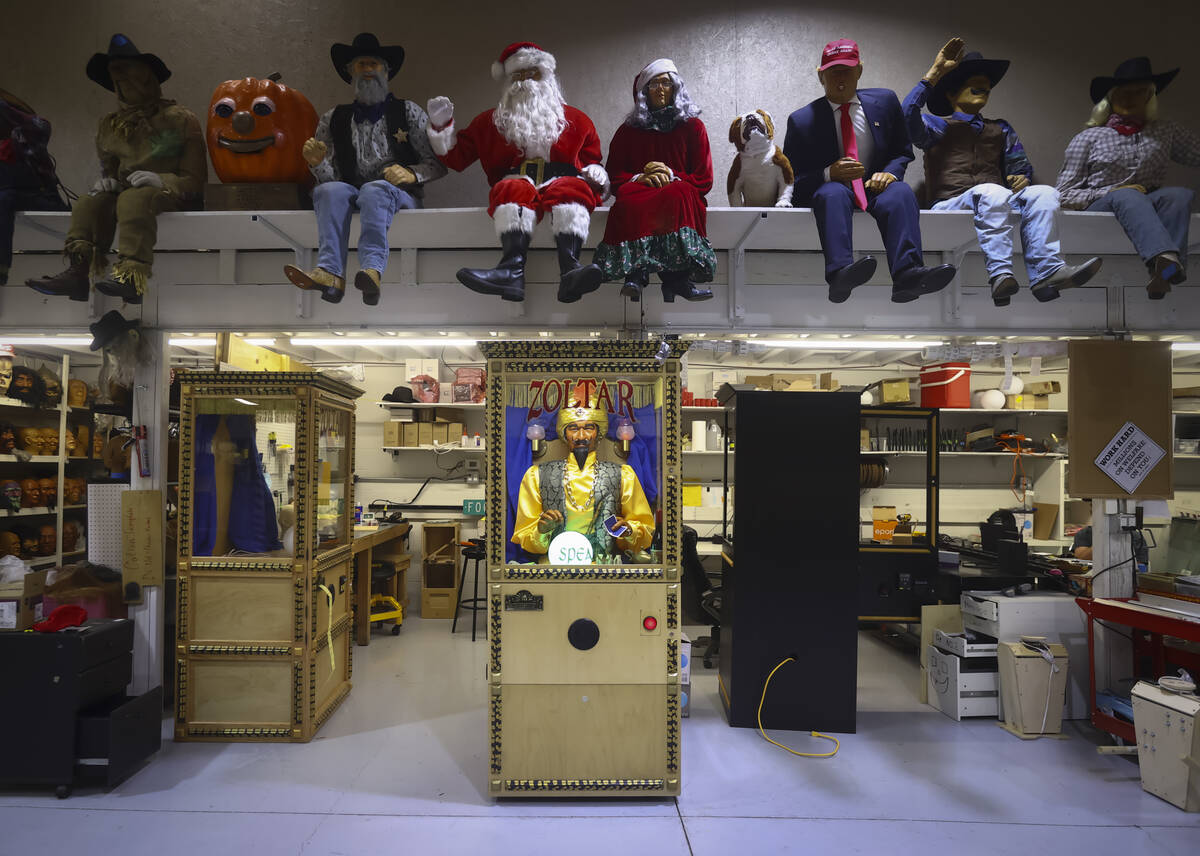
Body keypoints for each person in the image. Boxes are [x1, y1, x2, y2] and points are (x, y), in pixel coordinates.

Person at [904, 39, 1103, 306]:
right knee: (991, 191)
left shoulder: (1001, 129)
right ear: (951, 93)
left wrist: (1023, 178)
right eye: (972, 82)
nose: (983, 86)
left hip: (994, 200)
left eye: (986, 85)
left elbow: (1019, 167)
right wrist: (933, 75)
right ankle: (1000, 274)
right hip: (950, 203)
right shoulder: (936, 125)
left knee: (1045, 193)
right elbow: (905, 116)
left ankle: (1048, 272)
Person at [425, 42, 609, 304]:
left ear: (546, 77)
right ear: (508, 81)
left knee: (572, 189)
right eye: (517, 76)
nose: (524, 82)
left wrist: (596, 174)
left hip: (565, 180)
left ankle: (571, 270)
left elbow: (593, 161)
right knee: (510, 189)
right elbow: (457, 157)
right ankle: (511, 272)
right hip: (517, 181)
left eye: (531, 74)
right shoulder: (490, 122)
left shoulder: (577, 120)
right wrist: (441, 127)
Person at [26, 34, 204, 304]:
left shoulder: (180, 120)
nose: (124, 85)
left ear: (148, 78)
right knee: (88, 201)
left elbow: (195, 179)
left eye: (131, 77)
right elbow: (110, 169)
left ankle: (132, 276)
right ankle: (78, 272)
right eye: (118, 81)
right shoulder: (110, 126)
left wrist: (161, 180)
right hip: (126, 193)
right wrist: (107, 182)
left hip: (166, 195)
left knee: (135, 198)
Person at [783, 38, 956, 304]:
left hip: (876, 188)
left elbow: (902, 150)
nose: (841, 78)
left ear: (860, 71)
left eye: (847, 70)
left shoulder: (885, 102)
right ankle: (840, 274)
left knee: (900, 193)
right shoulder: (802, 120)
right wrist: (829, 173)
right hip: (834, 191)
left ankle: (908, 275)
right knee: (831, 193)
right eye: (833, 71)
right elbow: (792, 182)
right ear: (821, 75)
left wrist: (890, 173)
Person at [283, 33, 445, 305]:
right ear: (350, 72)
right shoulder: (333, 119)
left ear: (386, 70)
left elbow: (437, 164)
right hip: (353, 192)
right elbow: (332, 180)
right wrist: (318, 164)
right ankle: (330, 274)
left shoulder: (409, 112)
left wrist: (411, 173)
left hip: (399, 195)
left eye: (374, 64)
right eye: (361, 65)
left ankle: (371, 269)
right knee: (327, 192)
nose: (368, 70)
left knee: (375, 190)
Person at [1056, 57, 1200, 299]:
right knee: (1127, 193)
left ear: (1149, 97)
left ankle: (1166, 269)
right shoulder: (1090, 137)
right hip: (1103, 203)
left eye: (1139, 92)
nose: (1130, 98)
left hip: (1148, 199)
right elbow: (1063, 193)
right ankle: (1162, 258)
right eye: (1123, 93)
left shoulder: (1165, 131)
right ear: (1110, 98)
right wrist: (1109, 192)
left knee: (1179, 195)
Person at [592, 59, 715, 304]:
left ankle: (677, 278)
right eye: (654, 84)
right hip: (641, 191)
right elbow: (614, 176)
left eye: (666, 83)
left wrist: (670, 174)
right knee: (629, 197)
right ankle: (635, 274)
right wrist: (641, 177)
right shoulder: (628, 131)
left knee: (677, 192)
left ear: (676, 88)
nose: (660, 89)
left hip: (679, 190)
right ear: (643, 92)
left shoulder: (693, 127)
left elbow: (703, 178)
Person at [512, 393, 654, 563]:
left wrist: (628, 530)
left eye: (588, 428)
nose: (581, 436)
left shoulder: (623, 475)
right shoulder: (537, 475)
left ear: (598, 433)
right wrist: (542, 531)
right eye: (573, 428)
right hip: (554, 569)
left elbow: (644, 531)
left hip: (603, 569)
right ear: (564, 434)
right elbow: (525, 537)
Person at [0, 88, 67, 286]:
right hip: (11, 201)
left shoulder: (31, 130)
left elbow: (37, 127)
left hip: (43, 200)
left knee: (4, 198)